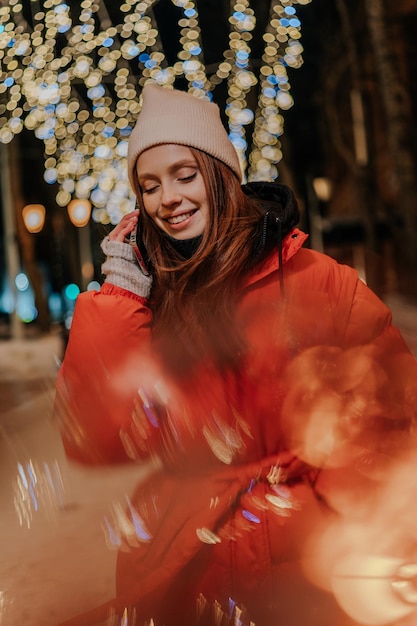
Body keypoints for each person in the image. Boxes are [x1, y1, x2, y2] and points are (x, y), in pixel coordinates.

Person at [55, 84, 417, 626]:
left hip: (311, 567)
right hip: (187, 567)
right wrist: (121, 296)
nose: (167, 199)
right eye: (149, 186)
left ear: (220, 174)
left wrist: (340, 525)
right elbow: (94, 437)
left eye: (184, 174)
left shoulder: (322, 281)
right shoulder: (145, 300)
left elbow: (395, 418)